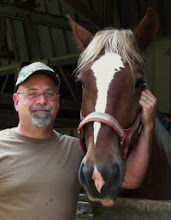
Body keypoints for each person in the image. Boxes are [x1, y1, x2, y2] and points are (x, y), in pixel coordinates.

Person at [0, 61, 157, 219]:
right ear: (16, 101)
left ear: (58, 101)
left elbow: (130, 179)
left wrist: (148, 126)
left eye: (50, 93)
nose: (42, 100)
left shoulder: (75, 149)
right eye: (32, 93)